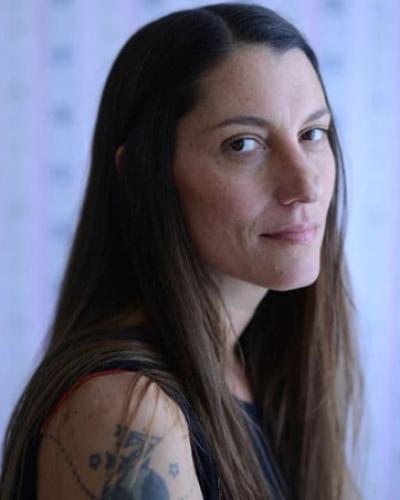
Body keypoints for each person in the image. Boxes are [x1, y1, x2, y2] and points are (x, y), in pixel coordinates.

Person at [0, 3, 364, 499]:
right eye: (243, 144)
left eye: (312, 134)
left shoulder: (256, 372)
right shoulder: (127, 414)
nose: (305, 184)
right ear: (142, 178)